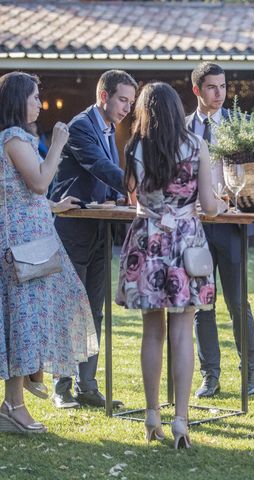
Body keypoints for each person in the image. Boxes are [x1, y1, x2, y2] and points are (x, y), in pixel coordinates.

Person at [115, 82, 226, 448]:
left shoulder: (134, 147)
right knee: (182, 330)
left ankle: (150, 415)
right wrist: (221, 206)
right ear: (179, 111)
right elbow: (209, 205)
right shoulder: (197, 146)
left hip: (147, 239)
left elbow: (132, 195)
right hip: (184, 242)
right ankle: (180, 420)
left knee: (151, 331)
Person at [0, 72, 98, 433]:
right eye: (34, 96)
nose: (39, 103)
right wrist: (57, 142)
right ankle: (15, 404)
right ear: (17, 100)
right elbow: (39, 182)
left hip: (31, 241)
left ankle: (30, 380)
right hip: (23, 248)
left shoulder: (18, 138)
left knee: (33, 316)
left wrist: (54, 207)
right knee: (26, 319)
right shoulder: (13, 137)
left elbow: (19, 194)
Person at [49, 69, 137, 409]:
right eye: (122, 100)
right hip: (72, 230)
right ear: (104, 96)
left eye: (131, 101)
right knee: (70, 309)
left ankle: (87, 385)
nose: (127, 107)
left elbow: (102, 179)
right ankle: (61, 387)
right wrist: (136, 186)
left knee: (95, 311)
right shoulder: (81, 125)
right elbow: (99, 166)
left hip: (100, 230)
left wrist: (118, 199)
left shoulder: (109, 126)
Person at [187, 62, 254, 398]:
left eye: (223, 86)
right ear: (197, 91)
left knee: (237, 302)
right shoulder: (184, 129)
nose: (220, 94)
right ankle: (210, 375)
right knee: (203, 303)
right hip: (196, 228)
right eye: (213, 88)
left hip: (231, 225)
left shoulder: (240, 126)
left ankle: (250, 373)